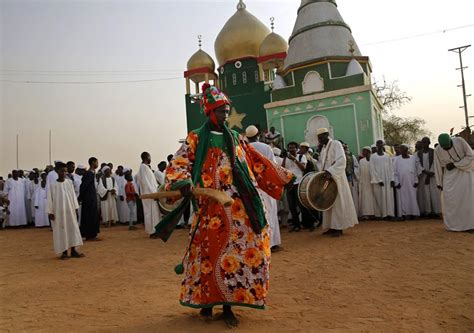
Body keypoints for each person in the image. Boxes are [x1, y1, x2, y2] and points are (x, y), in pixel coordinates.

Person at [156, 84, 294, 327]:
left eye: (227, 111)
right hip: (209, 208)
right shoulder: (196, 138)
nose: (225, 115)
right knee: (208, 255)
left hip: (239, 209)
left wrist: (282, 177)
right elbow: (180, 161)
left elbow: (255, 162)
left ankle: (228, 305)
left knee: (236, 255)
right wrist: (183, 181)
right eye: (221, 111)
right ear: (210, 111)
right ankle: (207, 303)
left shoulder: (236, 139)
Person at [316, 128, 358, 236]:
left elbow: (341, 160)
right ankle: (331, 226)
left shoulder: (336, 144)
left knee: (338, 203)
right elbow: (322, 163)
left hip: (336, 178)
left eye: (321, 137)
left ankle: (338, 228)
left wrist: (330, 171)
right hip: (328, 179)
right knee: (328, 203)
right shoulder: (324, 148)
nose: (320, 140)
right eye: (318, 138)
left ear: (327, 135)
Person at [246, 125, 281, 252]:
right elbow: (273, 166)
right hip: (266, 185)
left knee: (257, 213)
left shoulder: (244, 148)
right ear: (258, 135)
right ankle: (272, 243)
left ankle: (260, 243)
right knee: (270, 212)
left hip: (252, 186)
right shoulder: (266, 147)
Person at [434, 134, 474, 232]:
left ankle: (469, 225)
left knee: (467, 200)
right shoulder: (438, 150)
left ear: (451, 141)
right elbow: (437, 166)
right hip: (450, 177)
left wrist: (456, 164)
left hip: (465, 173)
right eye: (444, 148)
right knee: (451, 201)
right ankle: (453, 225)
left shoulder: (460, 141)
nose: (446, 149)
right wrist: (439, 182)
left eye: (448, 146)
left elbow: (471, 156)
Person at [47, 162, 84, 260]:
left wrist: (76, 208)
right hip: (58, 212)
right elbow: (50, 199)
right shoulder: (52, 185)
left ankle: (73, 250)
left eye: (65, 171)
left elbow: (73, 196)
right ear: (57, 171)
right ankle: (64, 252)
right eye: (62, 171)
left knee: (72, 229)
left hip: (70, 210)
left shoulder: (69, 183)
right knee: (62, 231)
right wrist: (50, 212)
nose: (64, 173)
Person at [283, 141, 313, 232]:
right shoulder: (286, 158)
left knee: (302, 205)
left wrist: (294, 159)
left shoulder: (301, 157)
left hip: (299, 183)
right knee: (292, 207)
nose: (291, 149)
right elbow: (282, 169)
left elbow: (303, 168)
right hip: (290, 184)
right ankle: (296, 225)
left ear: (297, 149)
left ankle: (310, 223)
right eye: (290, 148)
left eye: (293, 147)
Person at [136, 152, 161, 237]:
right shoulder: (143, 167)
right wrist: (153, 193)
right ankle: (152, 232)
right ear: (147, 157)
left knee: (154, 213)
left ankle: (155, 230)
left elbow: (152, 182)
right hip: (149, 195)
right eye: (150, 157)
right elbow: (146, 182)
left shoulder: (146, 167)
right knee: (150, 213)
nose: (151, 159)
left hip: (152, 193)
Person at [393, 144, 421, 219]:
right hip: (401, 183)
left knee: (412, 198)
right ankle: (404, 214)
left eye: (404, 149)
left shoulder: (413, 158)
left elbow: (416, 170)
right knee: (402, 199)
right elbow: (394, 172)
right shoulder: (396, 159)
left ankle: (414, 213)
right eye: (401, 149)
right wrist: (396, 182)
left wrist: (416, 180)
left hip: (411, 182)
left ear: (407, 150)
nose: (403, 151)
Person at [416, 137, 442, 218]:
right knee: (425, 194)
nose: (424, 144)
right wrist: (425, 172)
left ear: (429, 143)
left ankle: (436, 211)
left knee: (434, 193)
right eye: (423, 142)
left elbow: (436, 163)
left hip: (432, 176)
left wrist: (430, 174)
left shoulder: (434, 152)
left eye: (426, 142)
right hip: (423, 175)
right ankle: (427, 212)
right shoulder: (418, 153)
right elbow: (417, 164)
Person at [370, 140, 395, 219]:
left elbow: (391, 168)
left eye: (381, 143)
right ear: (377, 145)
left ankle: (390, 213)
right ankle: (382, 214)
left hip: (388, 180)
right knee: (380, 197)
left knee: (389, 197)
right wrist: (379, 180)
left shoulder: (387, 156)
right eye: (378, 143)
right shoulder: (373, 156)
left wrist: (392, 179)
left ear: (383, 145)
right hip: (379, 181)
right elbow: (372, 169)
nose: (380, 145)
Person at [79, 157, 101, 241]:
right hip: (89, 199)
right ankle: (89, 235)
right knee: (89, 216)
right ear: (92, 163)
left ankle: (93, 234)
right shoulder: (88, 173)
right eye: (96, 162)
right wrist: (81, 197)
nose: (97, 164)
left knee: (94, 216)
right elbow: (84, 186)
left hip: (92, 197)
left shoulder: (93, 173)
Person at [358, 147, 376, 219]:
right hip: (364, 182)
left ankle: (374, 213)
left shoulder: (373, 160)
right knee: (365, 198)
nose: (363, 153)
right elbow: (359, 172)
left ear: (369, 152)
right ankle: (366, 214)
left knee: (373, 198)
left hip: (372, 182)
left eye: (364, 151)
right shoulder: (361, 161)